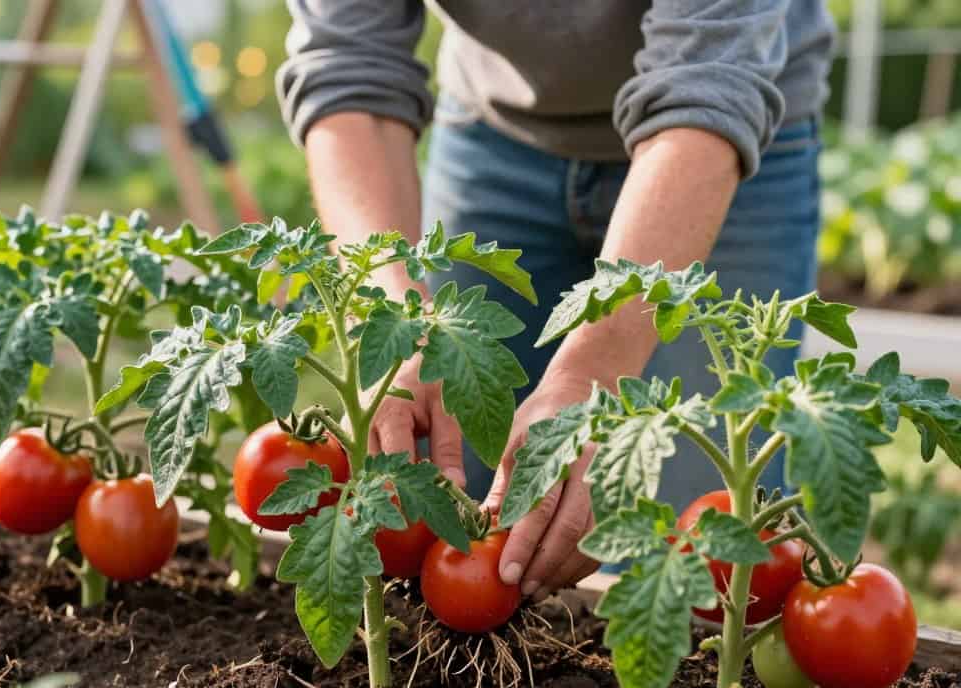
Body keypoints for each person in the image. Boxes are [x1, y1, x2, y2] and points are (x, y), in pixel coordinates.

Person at [276, 1, 835, 603]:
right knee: (473, 504)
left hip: (722, 129)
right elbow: (349, 59)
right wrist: (397, 321)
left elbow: (708, 74)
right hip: (495, 134)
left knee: (703, 560)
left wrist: (596, 367)